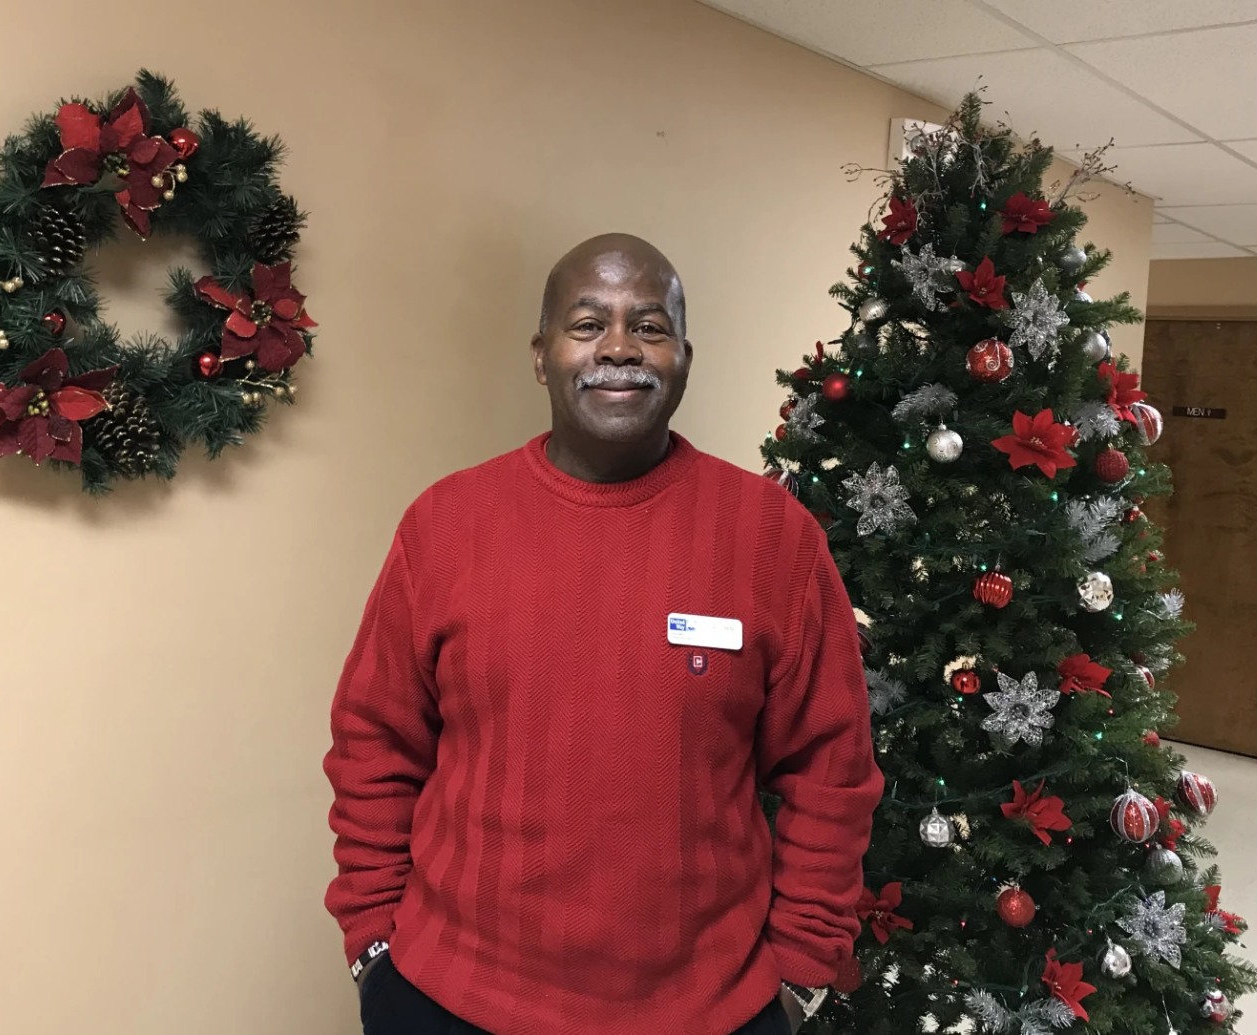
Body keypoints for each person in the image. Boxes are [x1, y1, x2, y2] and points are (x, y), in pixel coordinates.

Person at [324, 234, 882, 1035]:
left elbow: (832, 772)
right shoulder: (443, 526)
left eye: (649, 326)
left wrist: (799, 973)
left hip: (707, 1011)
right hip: (448, 997)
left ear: (684, 356)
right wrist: (372, 941)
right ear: (541, 355)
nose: (619, 347)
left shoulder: (774, 541)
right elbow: (372, 743)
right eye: (587, 324)